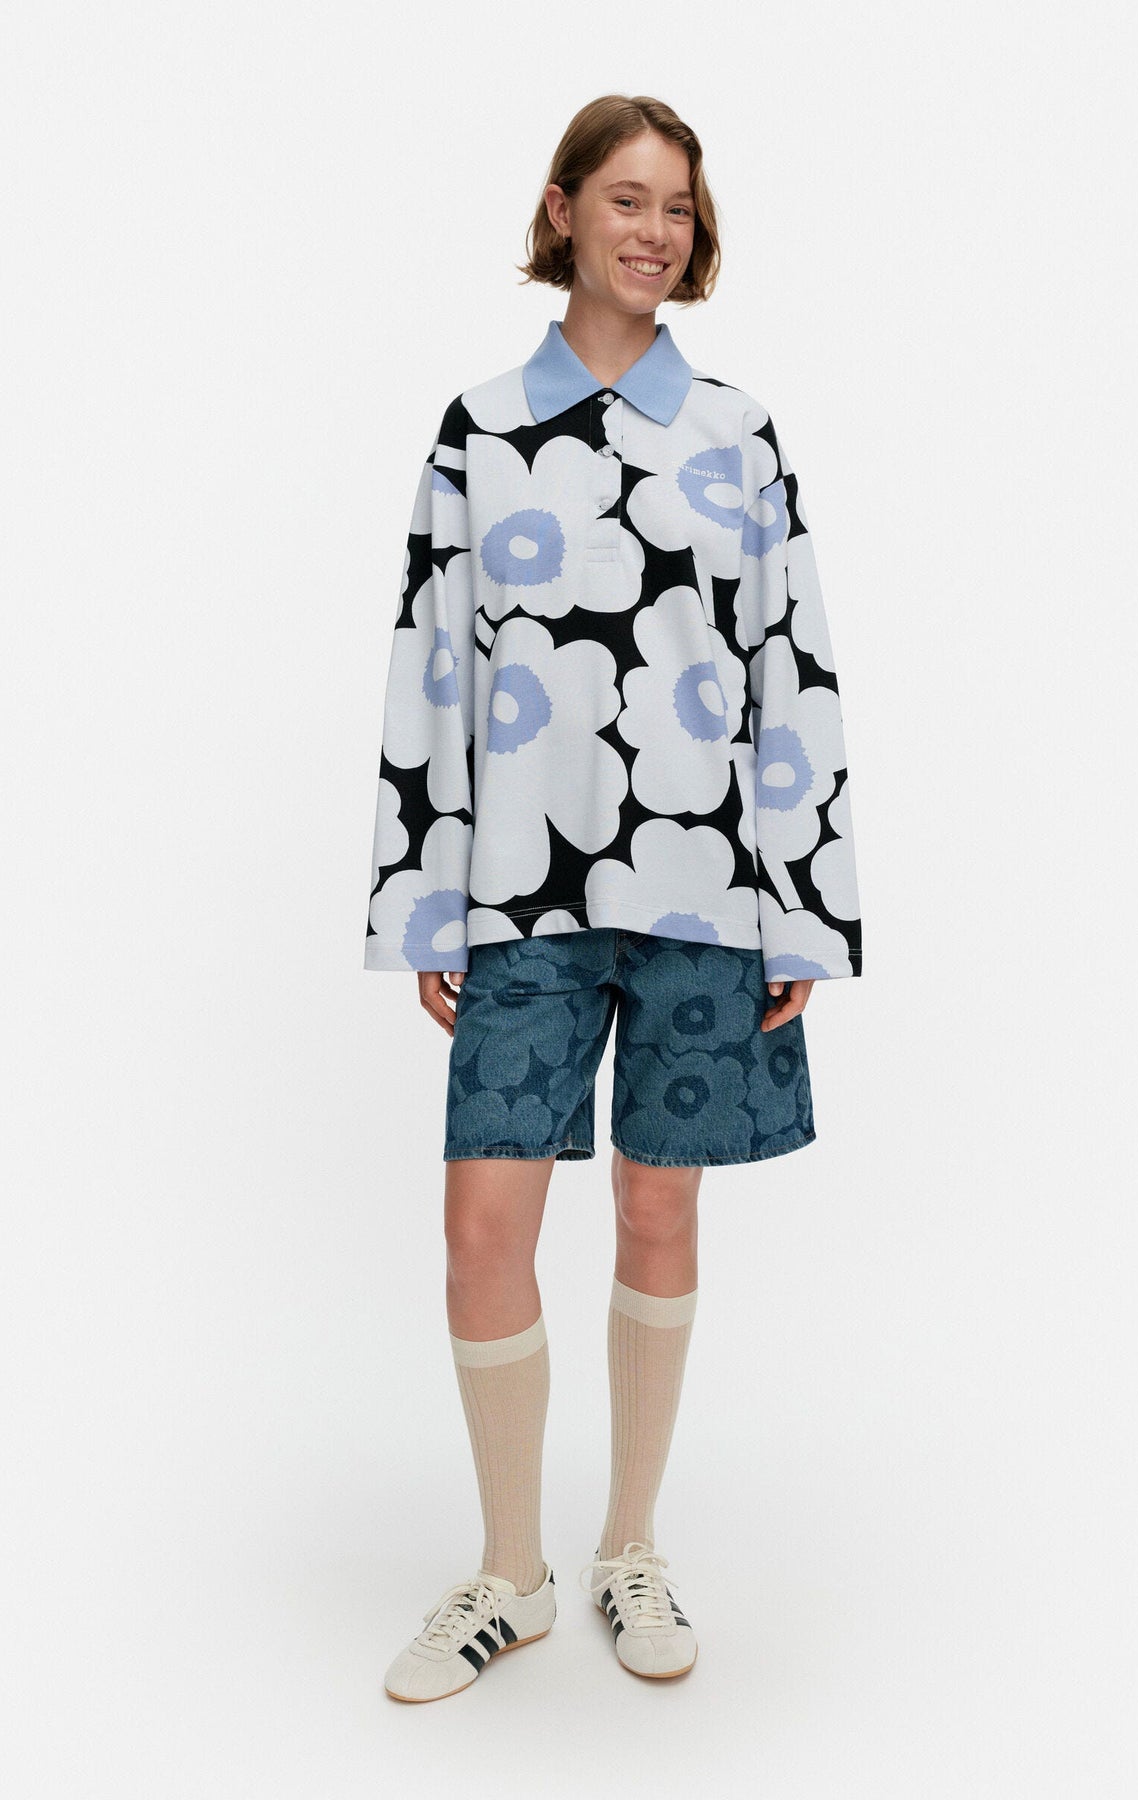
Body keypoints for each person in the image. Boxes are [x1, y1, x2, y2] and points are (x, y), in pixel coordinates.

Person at [364, 93, 862, 1703]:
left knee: (659, 1206)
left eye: (679, 209)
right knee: (481, 1225)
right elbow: (433, 671)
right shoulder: (479, 430)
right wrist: (426, 902)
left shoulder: (737, 433)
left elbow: (793, 671)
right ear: (563, 208)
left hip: (708, 889)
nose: (656, 231)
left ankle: (628, 1546)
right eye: (629, 198)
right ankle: (509, 1573)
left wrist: (805, 906)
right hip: (521, 888)